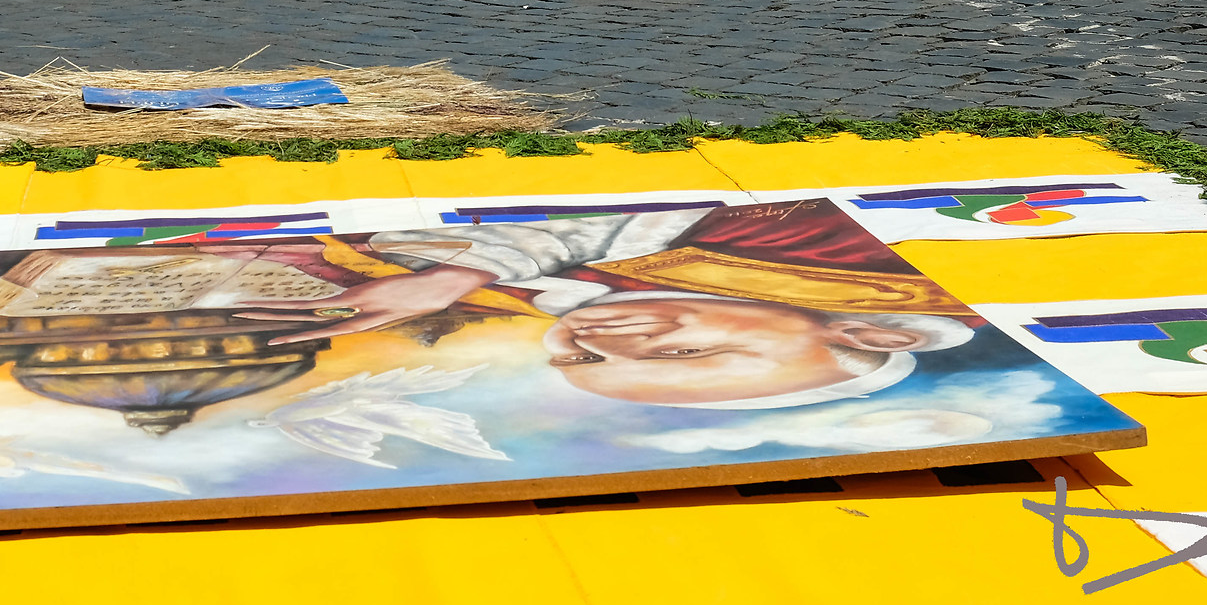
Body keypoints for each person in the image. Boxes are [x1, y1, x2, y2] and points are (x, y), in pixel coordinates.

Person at [234, 200, 977, 410]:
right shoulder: (826, 257)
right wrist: (477, 264)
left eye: (584, 359)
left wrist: (448, 275)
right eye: (686, 351)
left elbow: (394, 234)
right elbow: (625, 226)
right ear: (863, 327)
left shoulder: (515, 307)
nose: (612, 338)